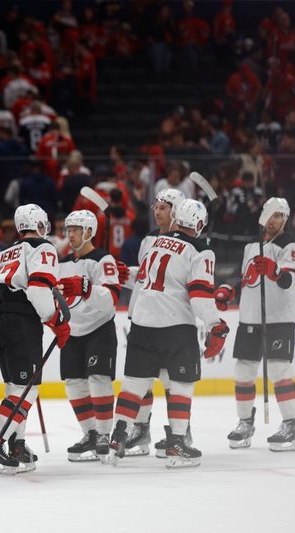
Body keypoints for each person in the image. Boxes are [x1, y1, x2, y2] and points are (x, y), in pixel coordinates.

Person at [110, 199, 228, 468]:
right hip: (175, 327)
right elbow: (199, 297)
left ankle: (119, 435)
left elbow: (143, 278)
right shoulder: (200, 250)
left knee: (135, 384)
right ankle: (177, 443)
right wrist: (216, 323)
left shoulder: (156, 242)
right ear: (198, 224)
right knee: (181, 385)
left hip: (141, 323)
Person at [0, 204, 70, 474]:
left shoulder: (5, 252)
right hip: (21, 322)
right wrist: (56, 322)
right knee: (26, 389)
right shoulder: (42, 247)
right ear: (40, 225)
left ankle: (17, 443)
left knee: (16, 386)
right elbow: (39, 290)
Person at [215, 198, 295, 451]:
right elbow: (246, 279)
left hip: (278, 319)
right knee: (243, 372)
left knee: (279, 371)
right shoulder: (251, 247)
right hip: (250, 318)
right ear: (263, 217)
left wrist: (277, 273)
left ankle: (291, 425)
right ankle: (245, 422)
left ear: (285, 221)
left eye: (280, 216)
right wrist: (229, 290)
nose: (275, 220)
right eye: (272, 215)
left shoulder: (290, 245)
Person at [123, 188, 184, 457]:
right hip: (142, 319)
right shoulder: (148, 240)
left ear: (177, 211)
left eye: (163, 207)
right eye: (155, 207)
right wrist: (125, 274)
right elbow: (147, 277)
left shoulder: (187, 242)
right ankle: (141, 430)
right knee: (142, 379)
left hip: (170, 321)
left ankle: (179, 431)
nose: (157, 212)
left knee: (172, 380)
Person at [58, 210, 123, 462]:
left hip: (99, 328)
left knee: (98, 379)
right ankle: (90, 434)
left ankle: (105, 435)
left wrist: (87, 289)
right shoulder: (63, 263)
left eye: (75, 229)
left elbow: (111, 300)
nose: (70, 234)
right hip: (72, 331)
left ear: (89, 232)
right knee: (74, 383)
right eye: (68, 229)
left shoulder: (103, 260)